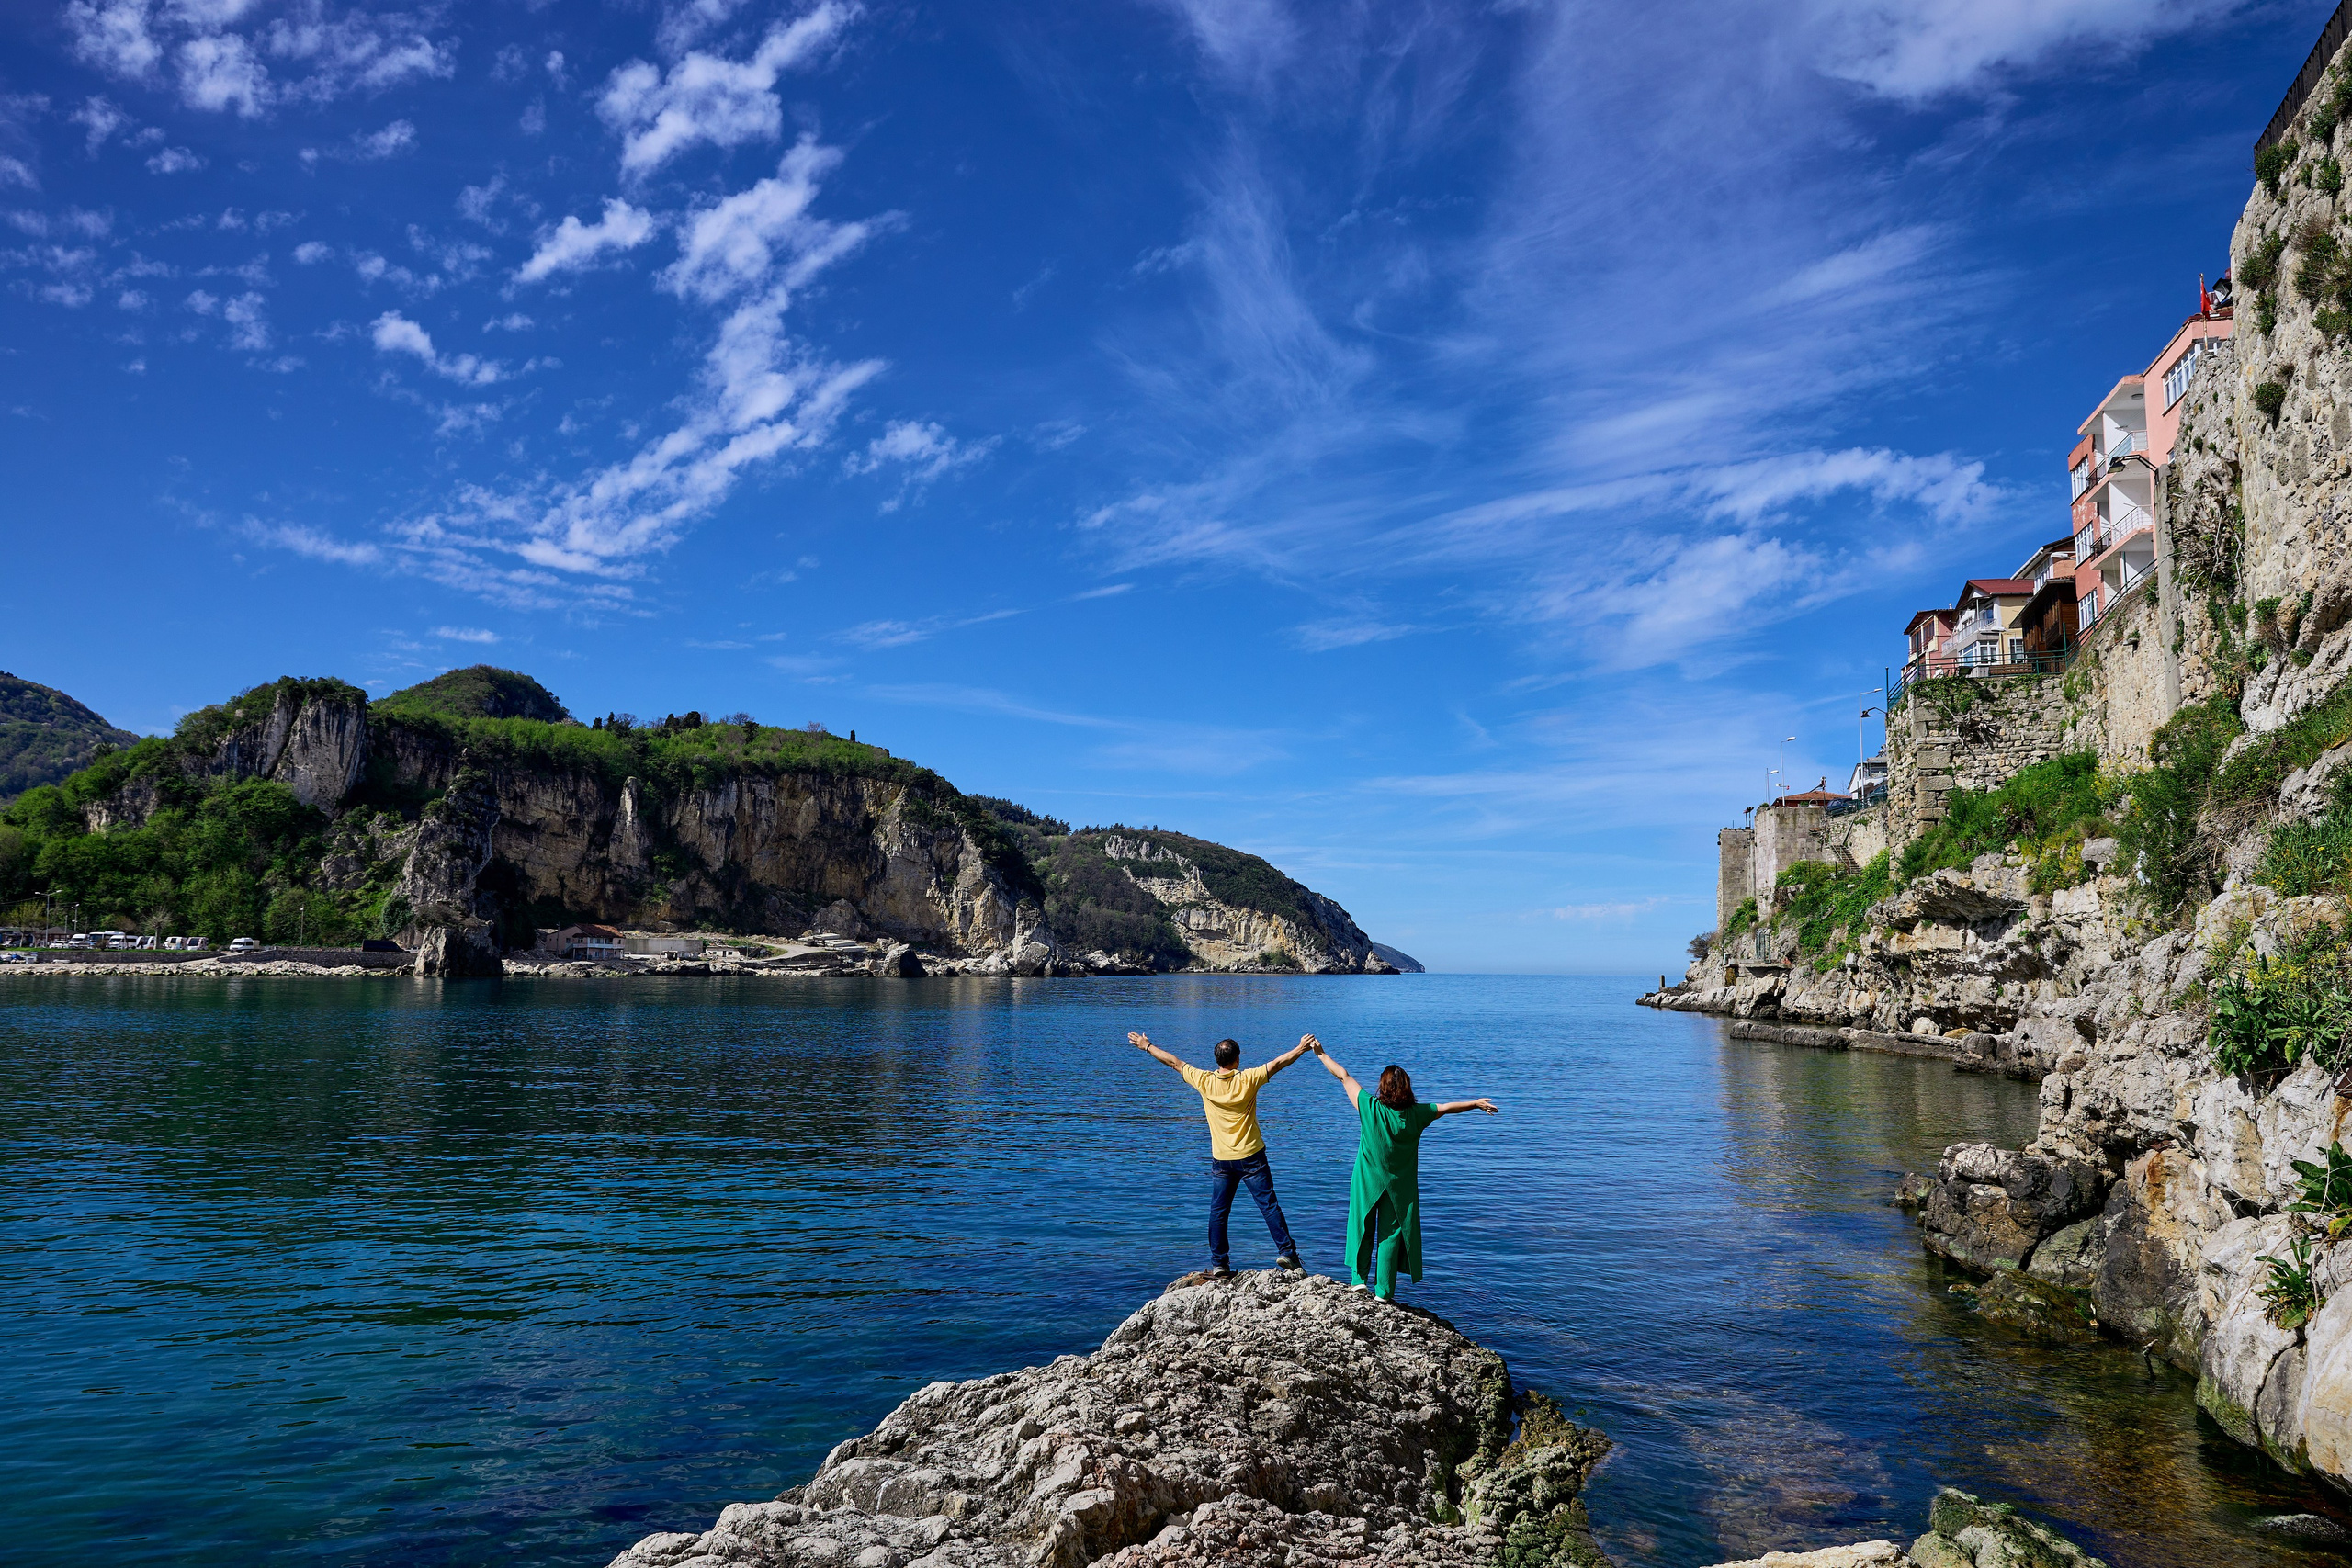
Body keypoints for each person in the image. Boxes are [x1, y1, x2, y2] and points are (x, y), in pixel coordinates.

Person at [1306, 1037, 1498, 1302]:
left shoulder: (1369, 1107)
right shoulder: (1416, 1115)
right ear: (1407, 1088)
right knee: (1390, 1235)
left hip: (1367, 1180)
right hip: (1399, 1186)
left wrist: (1321, 1054)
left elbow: (1344, 1076)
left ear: (1382, 1087)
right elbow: (1446, 1108)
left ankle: (1358, 1281)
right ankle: (1383, 1293)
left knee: (1362, 1225)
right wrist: (1475, 1104)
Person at [1129, 1029, 1313, 1276]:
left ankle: (1219, 1264)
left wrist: (1147, 1045)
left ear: (1217, 1061)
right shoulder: (1248, 1079)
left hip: (1222, 1159)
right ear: (1237, 1059)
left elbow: (1173, 1062)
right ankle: (1287, 1253)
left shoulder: (1204, 1080)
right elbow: (1280, 1062)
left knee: (1219, 1211)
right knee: (1268, 1206)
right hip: (1252, 1156)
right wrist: (1301, 1048)